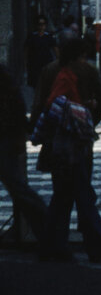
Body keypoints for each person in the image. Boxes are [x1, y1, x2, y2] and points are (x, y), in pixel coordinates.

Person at [31, 37, 101, 263]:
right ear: (78, 55)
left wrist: (37, 132)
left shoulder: (50, 70)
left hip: (57, 143)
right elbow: (100, 101)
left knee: (62, 195)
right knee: (81, 193)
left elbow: (40, 103)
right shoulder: (85, 71)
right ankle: (99, 246)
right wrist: (86, 119)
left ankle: (52, 246)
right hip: (74, 143)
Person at [0, 63, 47, 245]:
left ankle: (47, 232)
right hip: (8, 137)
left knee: (19, 189)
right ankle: (47, 233)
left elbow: (15, 111)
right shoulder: (7, 80)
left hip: (5, 138)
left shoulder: (5, 83)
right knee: (19, 188)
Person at [23, 15, 57, 88]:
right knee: (35, 84)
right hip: (34, 64)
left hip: (46, 63)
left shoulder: (48, 36)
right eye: (39, 24)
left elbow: (55, 50)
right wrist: (25, 64)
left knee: (47, 84)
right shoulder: (32, 36)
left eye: (43, 24)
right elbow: (26, 50)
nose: (41, 26)